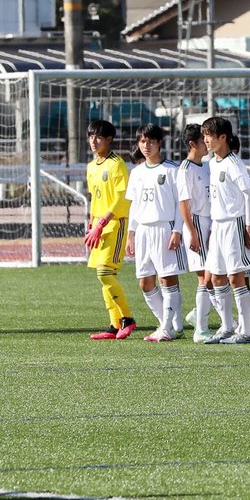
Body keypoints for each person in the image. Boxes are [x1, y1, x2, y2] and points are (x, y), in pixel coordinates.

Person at [125, 123, 187, 342]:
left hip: (165, 227)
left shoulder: (172, 170)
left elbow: (181, 204)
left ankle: (168, 328)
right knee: (145, 282)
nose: (146, 145)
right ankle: (168, 324)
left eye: (151, 141)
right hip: (143, 230)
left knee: (167, 279)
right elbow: (134, 205)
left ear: (159, 143)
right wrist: (131, 233)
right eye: (143, 141)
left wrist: (177, 230)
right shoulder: (137, 172)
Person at [200, 116, 250, 344]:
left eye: (209, 136)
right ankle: (226, 326)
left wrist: (248, 225)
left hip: (234, 223)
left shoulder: (234, 163)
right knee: (216, 277)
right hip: (218, 225)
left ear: (222, 137)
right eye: (204, 136)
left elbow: (249, 194)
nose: (205, 140)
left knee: (236, 277)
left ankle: (246, 331)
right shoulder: (212, 162)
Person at [85, 119, 137, 340]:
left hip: (115, 224)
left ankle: (127, 318)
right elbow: (94, 198)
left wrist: (101, 223)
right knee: (104, 276)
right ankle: (114, 324)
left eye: (98, 137)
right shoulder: (91, 167)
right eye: (91, 136)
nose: (93, 141)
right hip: (98, 226)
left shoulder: (117, 164)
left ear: (109, 139)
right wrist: (91, 223)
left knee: (105, 272)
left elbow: (121, 199)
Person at [176, 123, 215, 343]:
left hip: (210, 221)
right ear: (193, 144)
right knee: (204, 276)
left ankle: (197, 315)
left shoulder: (206, 165)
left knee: (213, 274)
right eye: (203, 140)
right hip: (197, 222)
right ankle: (201, 329)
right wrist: (192, 232)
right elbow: (183, 204)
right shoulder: (186, 169)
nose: (207, 143)